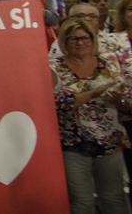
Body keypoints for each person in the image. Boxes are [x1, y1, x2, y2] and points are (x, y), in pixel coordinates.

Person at [51, 17, 132, 214]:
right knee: (82, 202)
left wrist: (120, 99)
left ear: (93, 39)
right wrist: (94, 93)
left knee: (114, 198)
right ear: (64, 41)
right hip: (73, 145)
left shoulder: (109, 63)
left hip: (109, 142)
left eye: (84, 37)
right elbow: (57, 104)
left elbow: (127, 103)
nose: (80, 43)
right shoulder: (54, 67)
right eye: (73, 39)